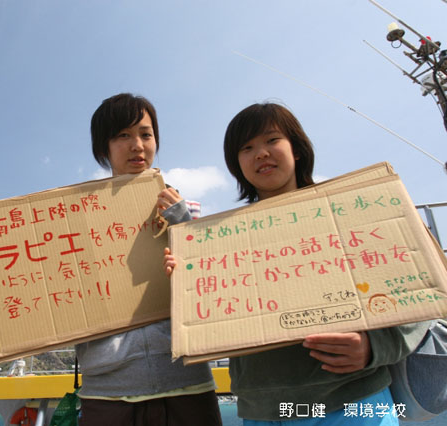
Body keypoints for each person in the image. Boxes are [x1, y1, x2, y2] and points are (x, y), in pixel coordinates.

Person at [0, 93, 222, 426]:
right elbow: (36, 277)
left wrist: (182, 222)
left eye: (145, 134)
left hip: (187, 384)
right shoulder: (76, 217)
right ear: (104, 147)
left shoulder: (186, 209)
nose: (137, 145)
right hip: (107, 394)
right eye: (122, 135)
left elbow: (215, 284)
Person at [164, 103, 429, 425]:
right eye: (247, 148)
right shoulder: (221, 237)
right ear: (236, 163)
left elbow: (419, 292)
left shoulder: (347, 211)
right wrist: (185, 278)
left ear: (297, 149)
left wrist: (375, 346)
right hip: (261, 412)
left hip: (353, 403)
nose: (261, 153)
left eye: (272, 140)